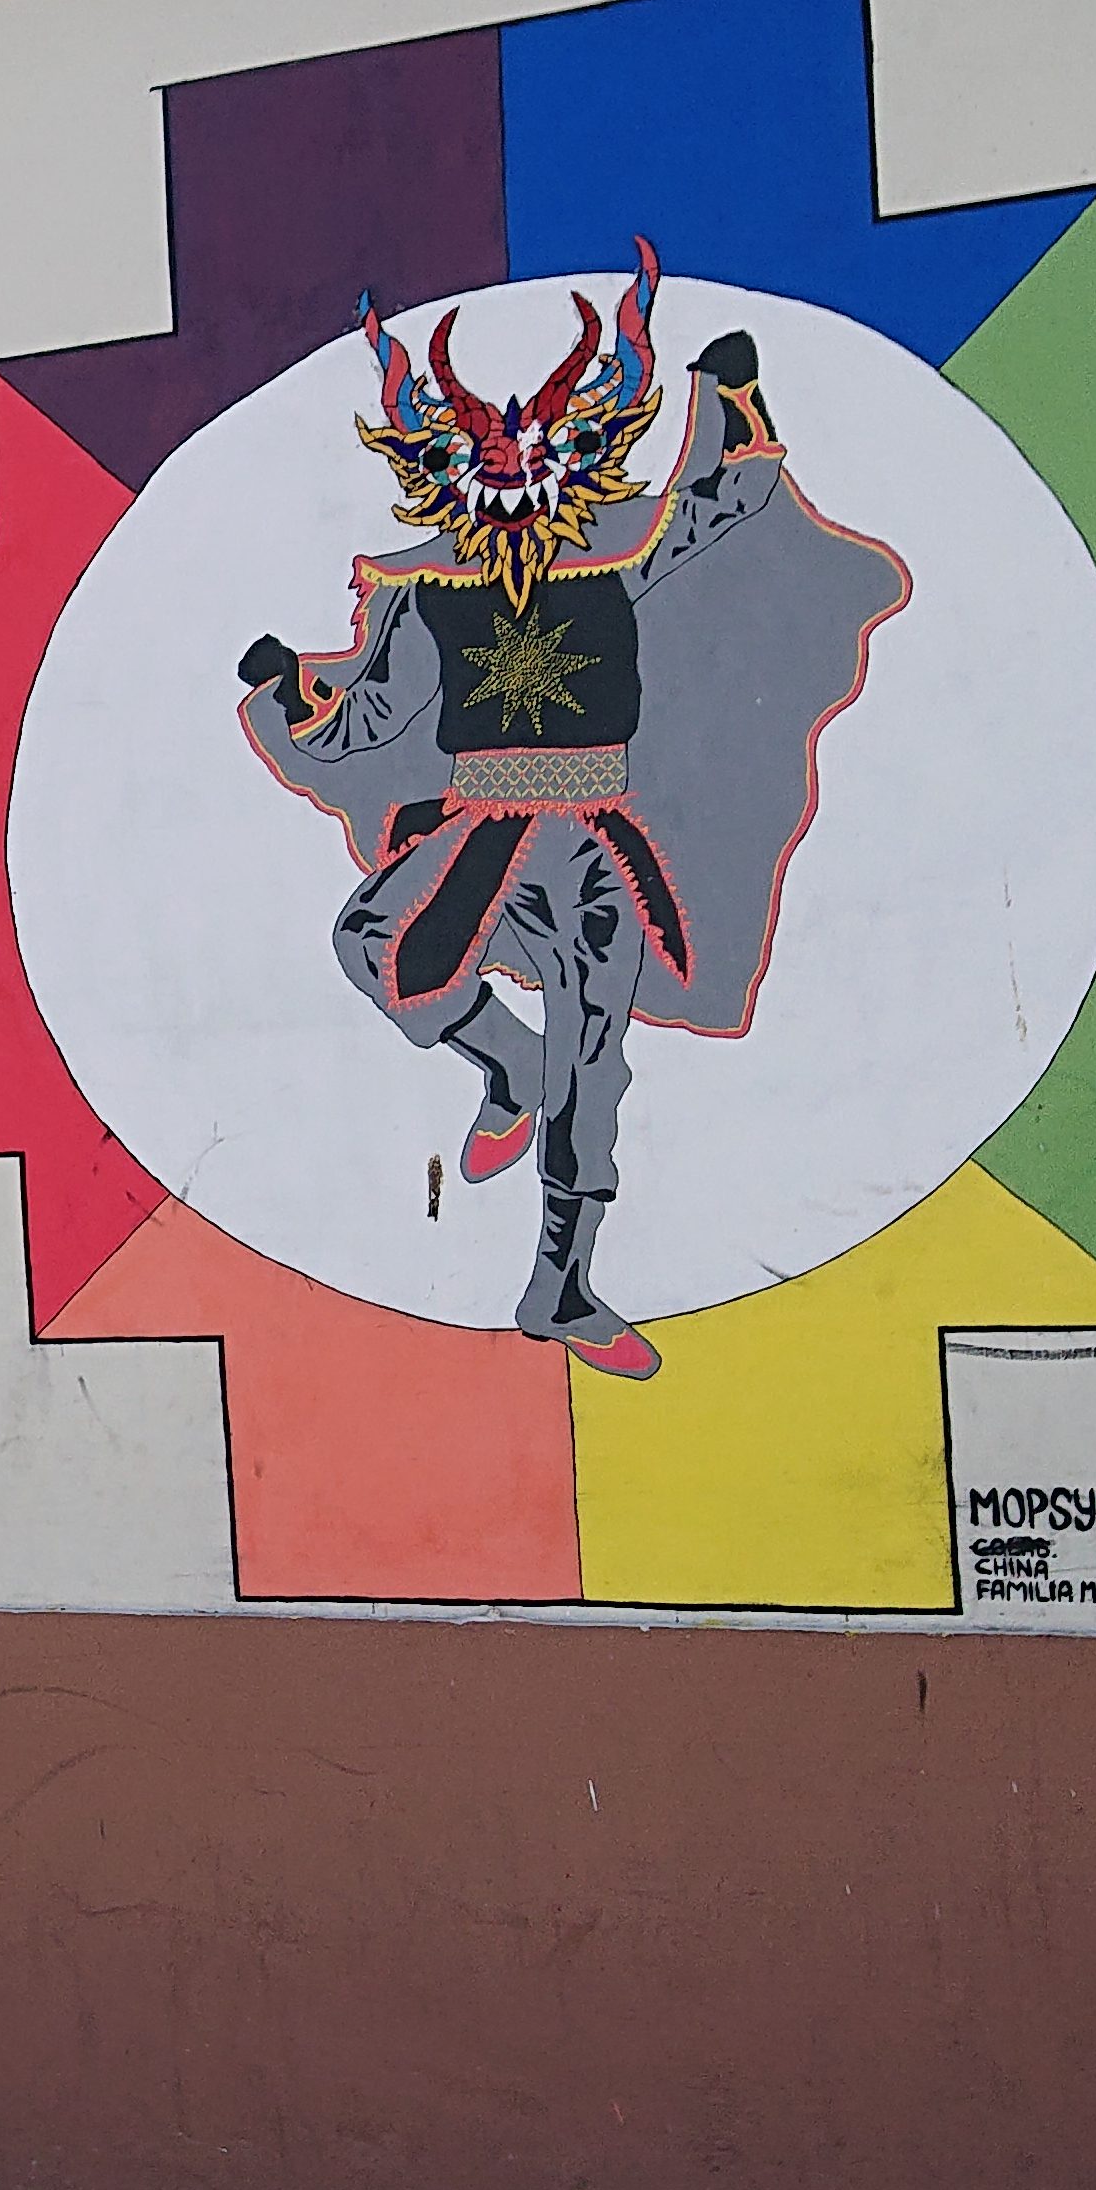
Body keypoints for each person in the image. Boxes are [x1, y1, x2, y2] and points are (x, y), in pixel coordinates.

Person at [236, 244, 904, 1377]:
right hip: (475, 834)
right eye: (485, 467)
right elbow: (368, 719)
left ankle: (560, 1285)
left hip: (593, 852)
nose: (509, 485)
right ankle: (509, 1066)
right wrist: (297, 695)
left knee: (592, 1065)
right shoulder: (434, 597)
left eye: (533, 462)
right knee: (367, 942)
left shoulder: (615, 564)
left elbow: (715, 504)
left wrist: (731, 401)